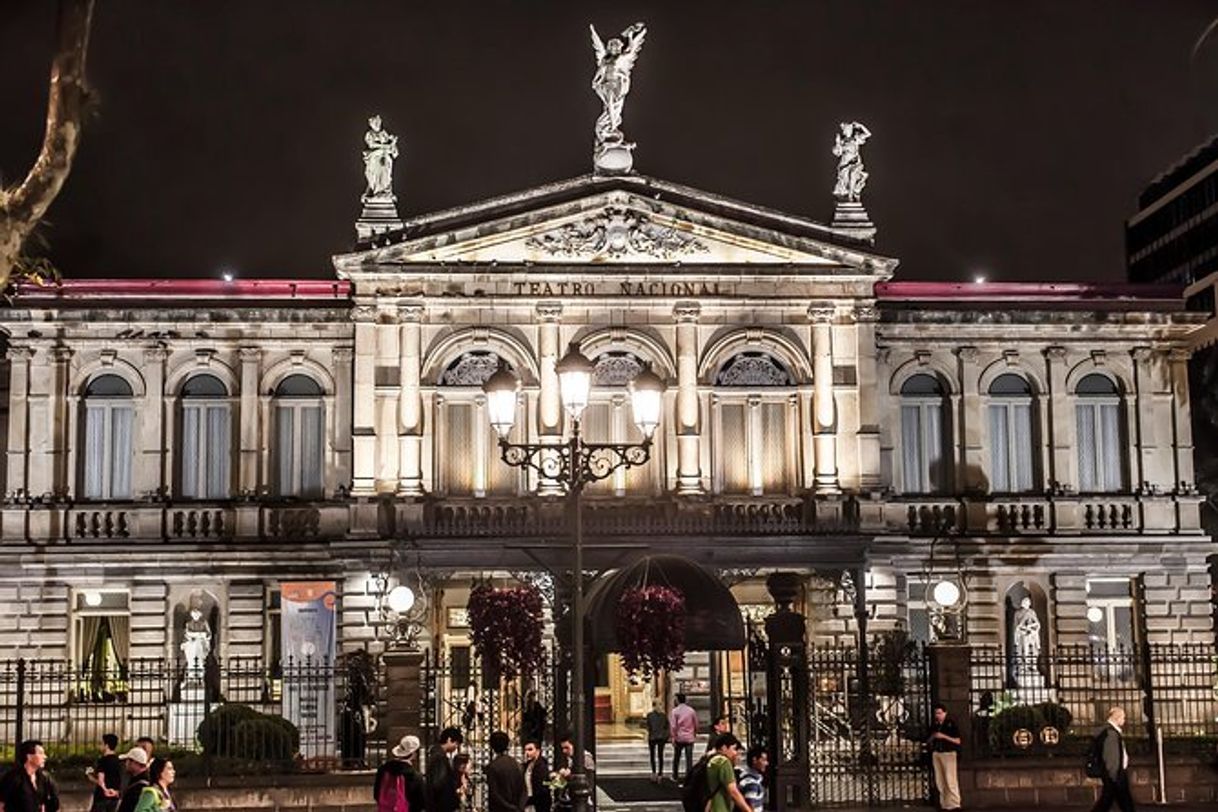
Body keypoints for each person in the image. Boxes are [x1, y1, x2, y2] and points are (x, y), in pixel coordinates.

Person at [1090, 707, 1135, 812]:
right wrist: (1114, 776)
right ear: (1117, 718)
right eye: (1123, 718)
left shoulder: (1109, 732)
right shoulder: (1111, 734)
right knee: (1114, 802)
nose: (1124, 720)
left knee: (1111, 801)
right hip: (1116, 774)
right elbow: (1111, 757)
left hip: (1115, 774)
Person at [0, 740, 59, 812]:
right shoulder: (13, 778)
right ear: (29, 757)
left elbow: (49, 802)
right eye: (41, 753)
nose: (45, 757)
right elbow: (1, 805)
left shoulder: (44, 778)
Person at [374, 735, 428, 812]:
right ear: (414, 754)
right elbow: (421, 802)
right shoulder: (415, 776)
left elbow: (377, 794)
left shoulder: (383, 769)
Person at [704, 734, 752, 812]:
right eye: (734, 749)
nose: (735, 753)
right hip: (720, 808)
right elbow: (733, 791)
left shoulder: (710, 759)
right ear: (724, 748)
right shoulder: (723, 762)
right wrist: (748, 810)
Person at [927, 704, 962, 811]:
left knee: (950, 779)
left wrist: (943, 736)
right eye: (936, 713)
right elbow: (928, 739)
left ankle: (955, 804)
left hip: (948, 753)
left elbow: (958, 741)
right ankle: (945, 804)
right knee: (940, 780)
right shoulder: (934, 725)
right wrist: (933, 736)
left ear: (945, 713)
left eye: (940, 713)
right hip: (937, 753)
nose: (938, 715)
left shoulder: (950, 724)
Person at [485, 731, 526, 812]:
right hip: (516, 806)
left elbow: (494, 793)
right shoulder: (516, 764)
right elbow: (524, 789)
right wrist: (519, 807)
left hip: (500, 808)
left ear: (492, 746)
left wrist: (509, 807)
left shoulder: (493, 766)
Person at [554, 734, 596, 812]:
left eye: (567, 748)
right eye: (563, 748)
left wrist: (569, 776)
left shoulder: (585, 758)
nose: (564, 751)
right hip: (570, 799)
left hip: (583, 802)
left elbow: (588, 782)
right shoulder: (570, 759)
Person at [426, 727, 464, 812]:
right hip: (441, 805)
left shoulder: (436, 754)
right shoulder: (440, 758)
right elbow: (439, 783)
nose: (456, 747)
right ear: (449, 739)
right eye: (456, 743)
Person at [88, 733, 122, 812]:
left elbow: (101, 780)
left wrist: (90, 777)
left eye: (101, 743)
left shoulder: (103, 760)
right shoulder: (119, 761)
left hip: (102, 797)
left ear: (106, 745)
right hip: (114, 796)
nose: (100, 746)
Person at [669, 693, 698, 783]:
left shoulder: (675, 711)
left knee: (677, 757)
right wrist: (695, 733)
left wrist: (673, 737)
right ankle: (688, 776)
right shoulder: (691, 711)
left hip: (679, 737)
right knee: (689, 759)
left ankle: (675, 775)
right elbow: (696, 723)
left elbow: (673, 726)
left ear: (677, 700)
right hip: (689, 737)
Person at [116, 747, 151, 812]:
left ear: (134, 762)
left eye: (128, 760)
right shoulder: (139, 780)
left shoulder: (141, 786)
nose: (126, 763)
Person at [735, 746, 767, 812]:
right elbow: (750, 806)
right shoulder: (751, 783)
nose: (766, 763)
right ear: (754, 760)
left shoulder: (747, 778)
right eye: (763, 760)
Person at [522, 740, 550, 812]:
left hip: (538, 803)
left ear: (537, 751)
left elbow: (541, 787)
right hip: (529, 802)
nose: (527, 752)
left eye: (530, 749)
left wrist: (530, 800)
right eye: (525, 750)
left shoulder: (541, 766)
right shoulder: (528, 764)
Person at [645, 701, 670, 781]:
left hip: (660, 737)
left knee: (660, 755)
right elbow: (648, 726)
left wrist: (666, 735)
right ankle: (654, 772)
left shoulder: (663, 715)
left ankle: (660, 773)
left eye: (661, 705)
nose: (660, 707)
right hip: (653, 737)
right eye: (659, 705)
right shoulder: (650, 715)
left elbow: (667, 726)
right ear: (654, 706)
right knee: (653, 755)